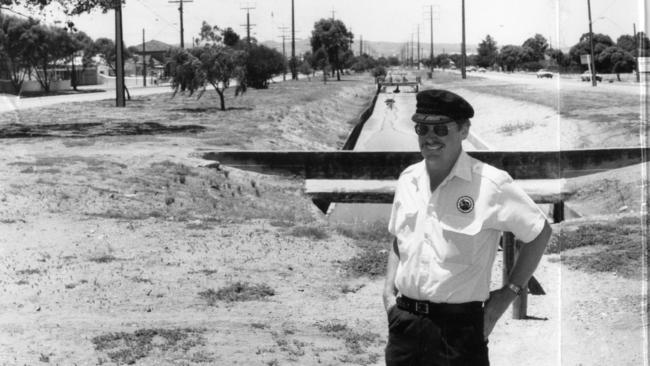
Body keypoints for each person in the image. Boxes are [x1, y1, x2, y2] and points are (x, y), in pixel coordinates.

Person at [383, 89, 552, 366]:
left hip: (459, 332)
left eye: (440, 128)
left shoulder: (491, 184)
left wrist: (506, 295)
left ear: (464, 130)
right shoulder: (408, 179)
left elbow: (539, 232)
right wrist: (388, 293)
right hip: (405, 327)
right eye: (422, 128)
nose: (430, 137)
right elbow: (398, 238)